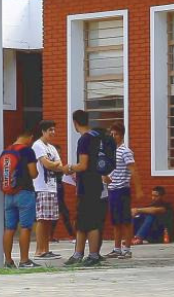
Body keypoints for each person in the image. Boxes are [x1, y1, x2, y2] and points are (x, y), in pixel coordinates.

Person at [62, 110, 103, 267]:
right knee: (82, 220)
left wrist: (70, 168)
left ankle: (92, 255)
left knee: (90, 221)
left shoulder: (84, 140)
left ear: (75, 122)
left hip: (88, 185)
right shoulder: (96, 137)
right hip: (95, 183)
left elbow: (84, 165)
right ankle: (78, 254)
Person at [104, 122, 143, 259]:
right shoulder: (112, 151)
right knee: (115, 221)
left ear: (122, 135)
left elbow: (134, 170)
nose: (113, 136)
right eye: (112, 134)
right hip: (112, 189)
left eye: (116, 134)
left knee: (125, 220)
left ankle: (127, 249)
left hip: (122, 189)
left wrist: (138, 189)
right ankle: (117, 248)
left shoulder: (125, 151)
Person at [2, 129, 40, 268]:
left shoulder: (6, 151)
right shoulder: (28, 151)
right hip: (24, 193)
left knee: (9, 228)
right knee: (25, 227)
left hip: (8, 194)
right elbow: (34, 173)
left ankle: (8, 260)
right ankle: (24, 260)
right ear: (30, 137)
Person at [32, 120, 62, 260]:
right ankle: (39, 250)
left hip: (52, 187)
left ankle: (46, 249)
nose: (53, 132)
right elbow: (47, 164)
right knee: (42, 219)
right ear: (43, 131)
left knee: (49, 219)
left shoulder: (52, 147)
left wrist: (55, 164)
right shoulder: (38, 145)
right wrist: (54, 164)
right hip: (41, 187)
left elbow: (59, 165)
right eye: (50, 130)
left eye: (54, 130)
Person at [50, 145, 75, 242]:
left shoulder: (57, 163)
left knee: (57, 215)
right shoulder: (51, 164)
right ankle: (72, 235)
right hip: (54, 192)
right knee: (64, 214)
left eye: (59, 152)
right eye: (57, 152)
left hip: (60, 192)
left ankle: (50, 236)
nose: (59, 154)